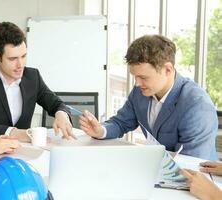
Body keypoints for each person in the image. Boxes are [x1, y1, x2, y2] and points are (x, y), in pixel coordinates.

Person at [79, 34, 218, 160]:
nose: (137, 83)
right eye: (135, 76)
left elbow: (192, 163)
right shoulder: (141, 92)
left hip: (194, 180)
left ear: (168, 70)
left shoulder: (197, 105)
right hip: (157, 170)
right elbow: (121, 122)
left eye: (143, 77)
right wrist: (100, 130)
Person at [0, 22, 74, 142]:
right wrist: (14, 133)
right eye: (13, 59)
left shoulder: (32, 76)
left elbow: (56, 104)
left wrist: (61, 114)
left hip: (25, 151)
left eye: (23, 56)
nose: (20, 65)